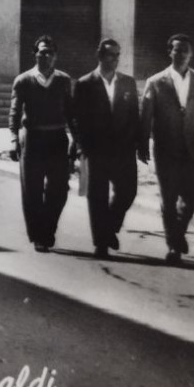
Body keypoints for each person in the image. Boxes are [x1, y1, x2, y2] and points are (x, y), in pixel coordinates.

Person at [140, 33, 194, 264]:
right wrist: (143, 142)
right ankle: (174, 247)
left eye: (186, 50)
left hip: (192, 147)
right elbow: (146, 116)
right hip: (166, 148)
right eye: (177, 50)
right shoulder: (156, 82)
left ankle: (178, 231)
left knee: (193, 193)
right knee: (169, 197)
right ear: (170, 52)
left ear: (191, 54)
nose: (182, 54)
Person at [71, 38, 147, 260]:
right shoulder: (85, 83)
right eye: (110, 55)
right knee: (97, 197)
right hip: (96, 150)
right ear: (100, 56)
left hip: (123, 149)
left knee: (128, 192)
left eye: (117, 55)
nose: (114, 59)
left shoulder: (128, 83)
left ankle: (110, 226)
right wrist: (81, 146)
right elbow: (77, 118)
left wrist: (139, 143)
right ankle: (101, 244)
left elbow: (135, 115)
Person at [9, 35, 75, 253]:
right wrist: (13, 140)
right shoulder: (23, 80)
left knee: (60, 190)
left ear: (55, 56)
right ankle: (39, 235)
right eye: (41, 52)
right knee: (33, 190)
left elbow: (70, 112)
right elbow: (15, 112)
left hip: (57, 138)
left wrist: (76, 140)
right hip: (33, 139)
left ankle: (48, 228)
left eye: (49, 52)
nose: (45, 56)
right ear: (34, 54)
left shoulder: (64, 80)